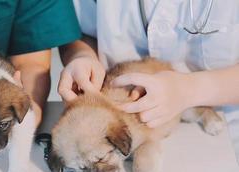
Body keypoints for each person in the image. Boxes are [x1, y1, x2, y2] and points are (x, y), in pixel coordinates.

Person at [58, 0, 239, 158]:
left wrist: (189, 90)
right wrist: (81, 56)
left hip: (220, 135)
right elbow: (78, 31)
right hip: (115, 138)